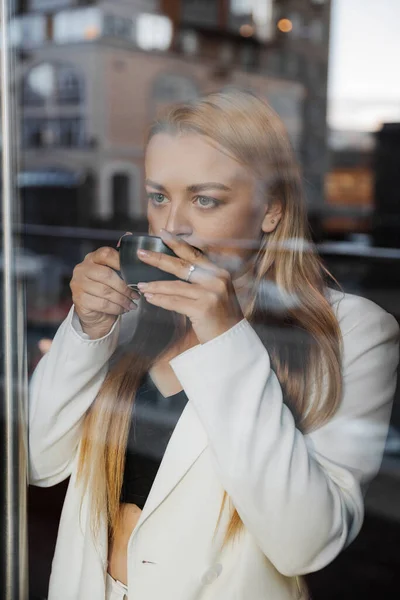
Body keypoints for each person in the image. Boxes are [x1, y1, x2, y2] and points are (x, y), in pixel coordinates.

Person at [29, 90, 399, 600]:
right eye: (159, 196)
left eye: (205, 199)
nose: (172, 225)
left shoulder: (353, 332)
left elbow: (304, 545)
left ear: (271, 210)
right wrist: (87, 329)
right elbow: (40, 462)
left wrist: (227, 338)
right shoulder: (131, 308)